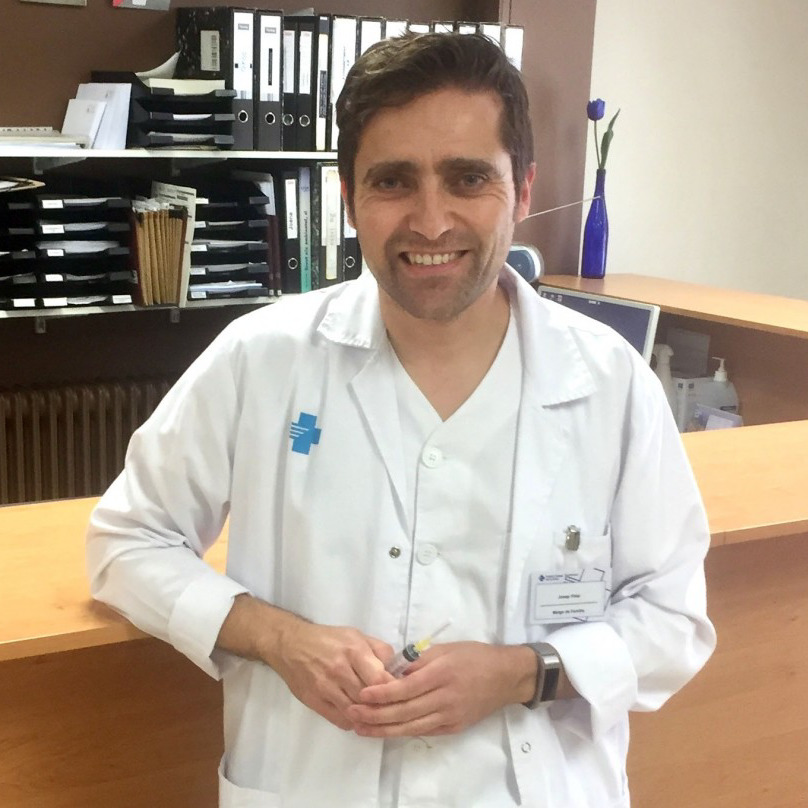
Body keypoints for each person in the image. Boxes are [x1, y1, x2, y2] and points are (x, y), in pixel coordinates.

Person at [87, 32, 716, 808]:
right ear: (349, 199)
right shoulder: (264, 358)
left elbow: (673, 619)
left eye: (467, 179)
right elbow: (125, 542)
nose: (431, 221)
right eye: (393, 181)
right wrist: (280, 640)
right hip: (315, 784)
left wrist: (524, 672)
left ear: (522, 190)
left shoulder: (609, 382)